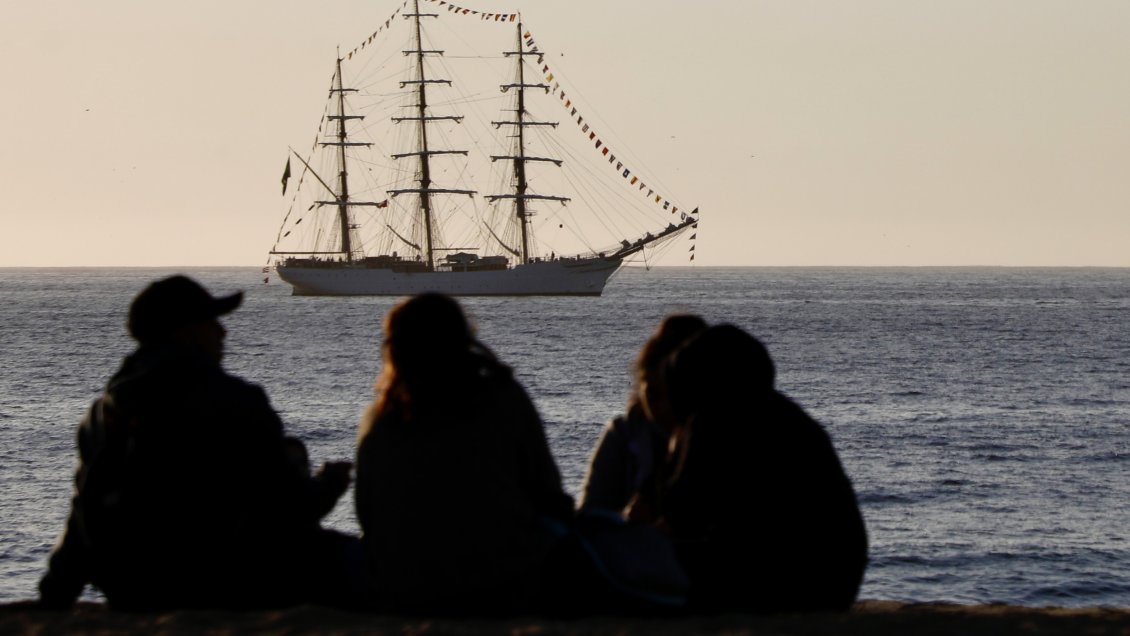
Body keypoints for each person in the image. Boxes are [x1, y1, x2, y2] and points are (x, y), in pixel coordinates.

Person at [38, 275, 357, 611]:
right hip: (224, 583)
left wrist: (55, 595)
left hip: (131, 589)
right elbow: (288, 507)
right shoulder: (235, 401)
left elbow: (83, 515)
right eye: (212, 322)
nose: (223, 332)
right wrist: (329, 484)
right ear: (185, 330)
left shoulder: (102, 414)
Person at [355, 293, 574, 616]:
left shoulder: (381, 418)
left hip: (403, 587)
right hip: (503, 583)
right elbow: (548, 494)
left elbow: (368, 514)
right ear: (464, 338)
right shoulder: (503, 396)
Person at [638, 324, 868, 614]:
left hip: (775, 583)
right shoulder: (789, 416)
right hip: (836, 582)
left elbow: (682, 514)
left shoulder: (711, 421)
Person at [578, 314, 706, 515]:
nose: (659, 408)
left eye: (670, 393)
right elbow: (590, 521)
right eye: (652, 395)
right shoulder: (624, 435)